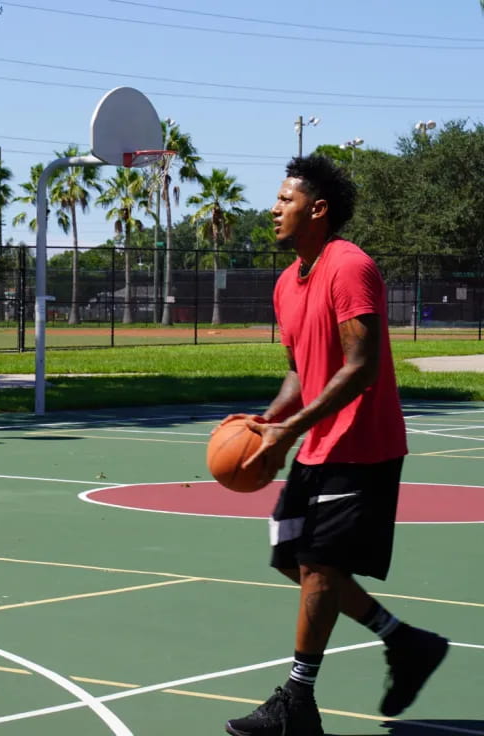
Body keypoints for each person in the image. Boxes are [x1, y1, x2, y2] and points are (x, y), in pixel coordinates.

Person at [220, 155, 448, 736]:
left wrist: (289, 432)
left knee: (319, 566)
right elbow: (301, 372)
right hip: (317, 445)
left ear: (317, 209)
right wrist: (267, 421)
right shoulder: (285, 283)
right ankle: (407, 643)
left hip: (362, 446)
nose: (273, 209)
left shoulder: (349, 267)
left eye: (285, 200)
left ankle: (297, 701)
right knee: (291, 559)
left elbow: (361, 366)